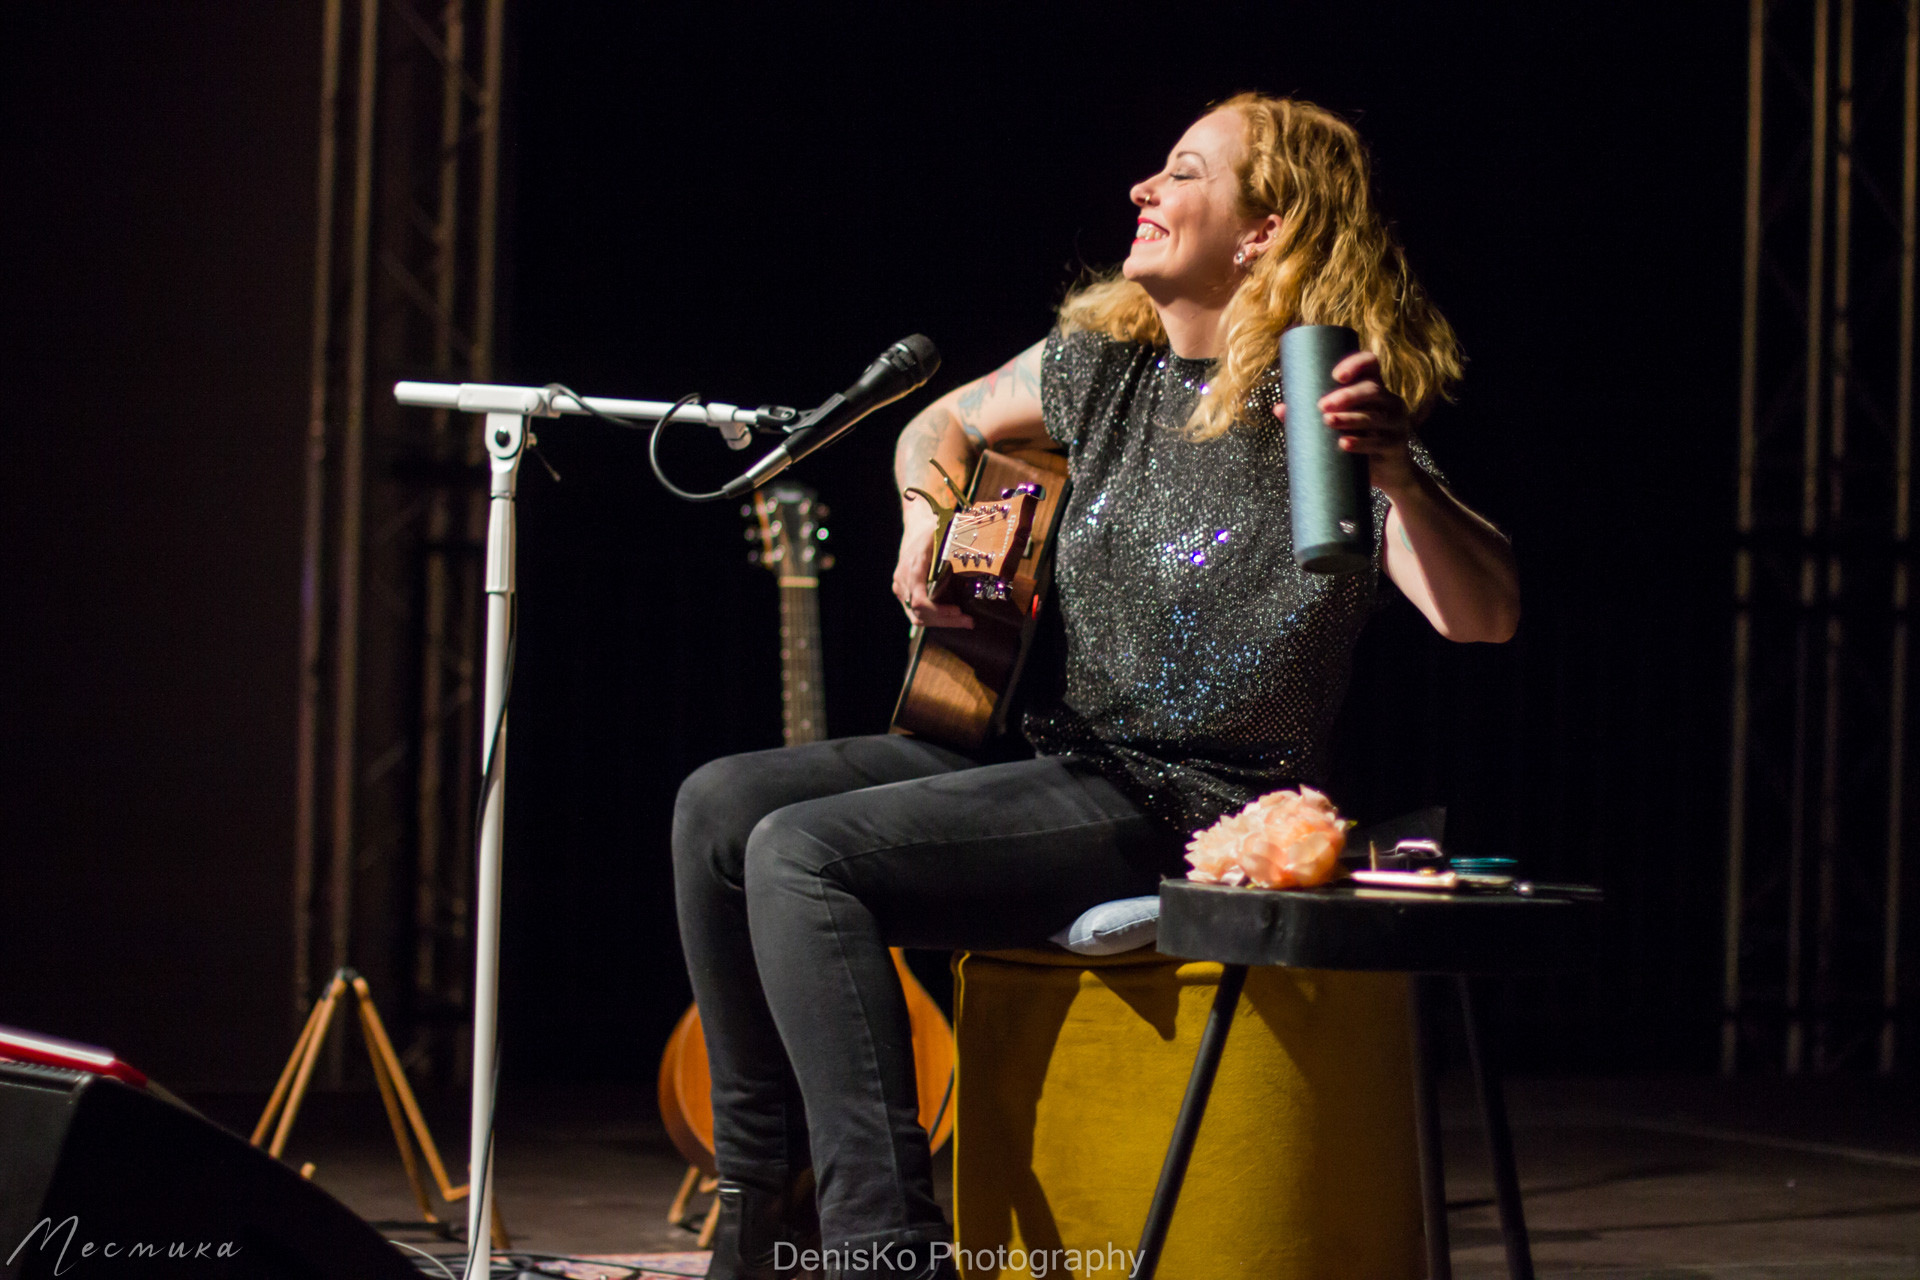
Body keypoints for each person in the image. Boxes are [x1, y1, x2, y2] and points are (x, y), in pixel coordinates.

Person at [671, 93, 1519, 1280]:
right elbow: (935, 427)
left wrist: (1398, 479)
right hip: (1056, 760)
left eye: (1183, 172)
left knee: (799, 853)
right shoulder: (1100, 374)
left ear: (1266, 229)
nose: (1144, 191)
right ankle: (760, 1211)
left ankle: (884, 1251)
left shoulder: (1319, 415)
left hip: (1182, 804)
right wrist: (927, 522)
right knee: (717, 805)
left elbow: (1483, 616)